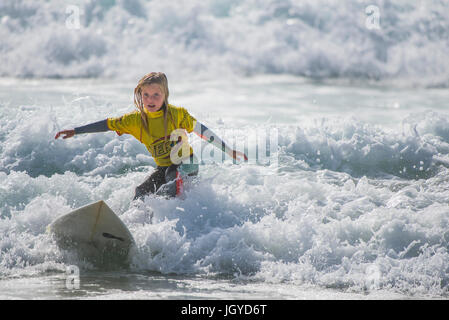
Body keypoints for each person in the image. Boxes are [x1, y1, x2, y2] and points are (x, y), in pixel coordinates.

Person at [55, 72, 247, 200]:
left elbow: (203, 132)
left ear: (165, 95)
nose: (150, 100)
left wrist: (229, 151)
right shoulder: (135, 120)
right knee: (141, 192)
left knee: (173, 174)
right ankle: (138, 225)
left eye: (156, 94)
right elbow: (107, 124)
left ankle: (175, 214)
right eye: (146, 95)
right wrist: (77, 130)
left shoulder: (177, 114)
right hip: (164, 168)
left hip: (187, 164)